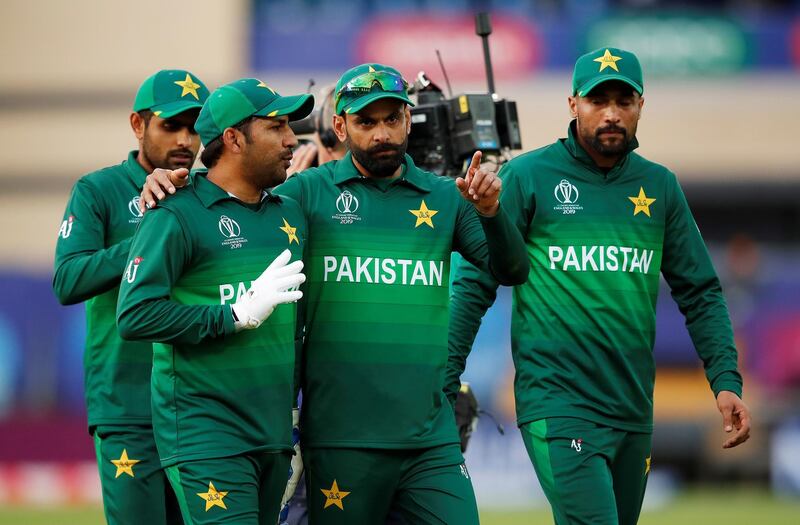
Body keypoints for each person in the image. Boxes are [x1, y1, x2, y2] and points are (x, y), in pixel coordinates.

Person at [139, 62, 530, 524]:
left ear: (408, 119)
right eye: (366, 122)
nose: (381, 133)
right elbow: (232, 196)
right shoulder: (303, 195)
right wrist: (164, 182)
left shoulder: (447, 197)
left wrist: (489, 211)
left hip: (429, 439)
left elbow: (511, 269)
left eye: (392, 119)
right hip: (339, 439)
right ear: (341, 127)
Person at [446, 47, 752, 525]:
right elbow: (474, 282)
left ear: (640, 105)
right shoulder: (529, 176)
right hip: (557, 400)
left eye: (623, 100)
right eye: (597, 100)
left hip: (631, 406)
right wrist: (445, 378)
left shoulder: (660, 187)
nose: (611, 113)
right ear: (573, 105)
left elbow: (701, 292)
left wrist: (725, 379)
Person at [116, 78, 314, 524]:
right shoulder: (175, 211)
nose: (291, 139)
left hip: (274, 436)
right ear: (233, 138)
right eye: (277, 126)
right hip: (205, 436)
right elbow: (134, 314)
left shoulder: (290, 211)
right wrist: (234, 315)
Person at [53, 69, 210, 525]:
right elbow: (68, 280)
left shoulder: (208, 196)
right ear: (138, 125)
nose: (185, 139)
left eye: (195, 126)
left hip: (197, 403)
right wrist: (151, 236)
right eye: (170, 125)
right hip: (128, 403)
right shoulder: (97, 191)